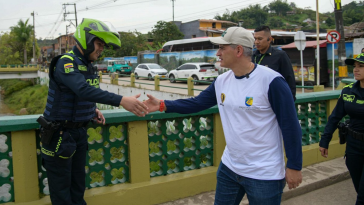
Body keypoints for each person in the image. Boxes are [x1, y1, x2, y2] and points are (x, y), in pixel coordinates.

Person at [143, 27, 303, 205]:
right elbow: (197, 103)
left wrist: (294, 165)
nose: (217, 53)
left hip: (264, 173)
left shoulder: (271, 81)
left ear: (239, 50)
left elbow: (290, 125)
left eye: (222, 48)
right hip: (230, 168)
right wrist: (163, 105)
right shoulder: (222, 81)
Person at [39, 18, 148, 205]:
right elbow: (82, 89)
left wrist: (92, 109)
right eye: (99, 44)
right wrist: (121, 100)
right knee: (62, 194)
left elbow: (79, 95)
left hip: (78, 134)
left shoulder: (89, 66)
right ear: (86, 40)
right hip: (59, 135)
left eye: (103, 46)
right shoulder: (66, 63)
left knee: (78, 188)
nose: (101, 49)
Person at [319, 53, 364, 205]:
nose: (356, 70)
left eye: (361, 66)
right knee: (359, 188)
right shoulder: (348, 91)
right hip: (353, 146)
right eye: (355, 66)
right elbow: (334, 117)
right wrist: (324, 140)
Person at [252, 25, 296, 101]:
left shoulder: (280, 56)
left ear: (270, 39)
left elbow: (289, 79)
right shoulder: (252, 56)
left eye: (260, 39)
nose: (256, 42)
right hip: (255, 100)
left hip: (274, 99)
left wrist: (290, 101)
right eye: (255, 39)